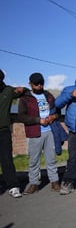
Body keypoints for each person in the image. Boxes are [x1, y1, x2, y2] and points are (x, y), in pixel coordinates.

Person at [18, 73, 61, 194]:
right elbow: (21, 116)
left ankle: (54, 181)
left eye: (41, 83)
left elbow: (57, 111)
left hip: (50, 131)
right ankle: (33, 183)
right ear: (30, 84)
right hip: (34, 132)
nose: (39, 86)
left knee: (51, 158)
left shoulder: (49, 96)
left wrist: (53, 116)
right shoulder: (25, 98)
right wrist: (38, 120)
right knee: (34, 160)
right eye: (36, 84)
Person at [0, 69, 25, 198]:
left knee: (6, 160)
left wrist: (22, 89)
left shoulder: (8, 91)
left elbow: (24, 92)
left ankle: (13, 187)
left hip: (3, 131)